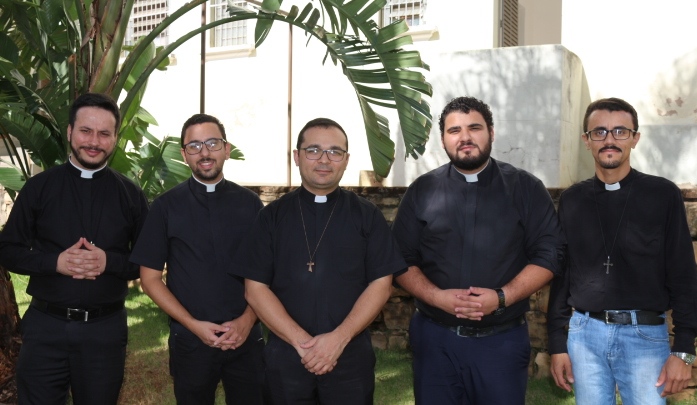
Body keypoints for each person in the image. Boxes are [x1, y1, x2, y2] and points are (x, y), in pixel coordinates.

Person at [391, 96, 564, 404]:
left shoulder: (525, 188)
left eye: (475, 127)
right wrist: (436, 298)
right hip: (435, 342)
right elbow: (401, 259)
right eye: (454, 130)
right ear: (443, 139)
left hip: (501, 343)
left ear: (492, 132)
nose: (465, 137)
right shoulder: (422, 190)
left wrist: (501, 297)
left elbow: (549, 254)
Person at [231, 117, 406, 405]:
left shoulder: (367, 216)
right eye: (313, 150)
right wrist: (303, 344)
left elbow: (382, 284)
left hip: (349, 356)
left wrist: (337, 339)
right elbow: (255, 288)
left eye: (335, 152)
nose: (324, 160)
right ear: (297, 157)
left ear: (346, 160)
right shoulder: (271, 217)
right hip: (286, 357)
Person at [0, 93, 149, 405]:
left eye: (104, 133)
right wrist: (55, 262)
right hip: (45, 328)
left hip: (104, 332)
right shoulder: (39, 188)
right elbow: (8, 249)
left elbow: (147, 261)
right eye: (85, 131)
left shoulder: (130, 195)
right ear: (69, 132)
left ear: (115, 138)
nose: (94, 141)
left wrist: (109, 261)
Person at [547, 97, 697, 404]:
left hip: (644, 337)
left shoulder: (662, 194)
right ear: (586, 141)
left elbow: (683, 274)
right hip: (584, 335)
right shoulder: (573, 200)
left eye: (620, 131)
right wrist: (557, 344)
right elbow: (562, 275)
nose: (610, 140)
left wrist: (683, 349)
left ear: (635, 138)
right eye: (599, 132)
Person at [130, 114, 265, 404]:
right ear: (184, 154)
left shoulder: (250, 204)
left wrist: (246, 320)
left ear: (226, 149)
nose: (204, 152)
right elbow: (150, 278)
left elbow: (267, 273)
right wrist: (192, 324)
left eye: (212, 143)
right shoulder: (166, 207)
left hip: (246, 337)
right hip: (190, 339)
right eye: (194, 146)